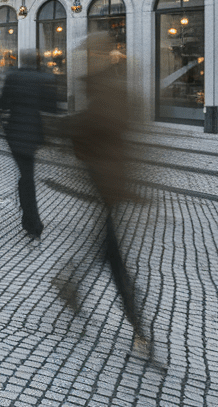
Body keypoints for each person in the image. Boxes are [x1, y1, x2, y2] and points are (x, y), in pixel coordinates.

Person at [61, 33, 153, 360]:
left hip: (109, 183)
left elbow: (96, 132)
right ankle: (139, 329)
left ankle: (71, 284)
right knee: (111, 254)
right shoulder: (105, 88)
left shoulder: (104, 90)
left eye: (86, 55)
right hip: (108, 184)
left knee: (109, 253)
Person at [0, 50, 57, 238]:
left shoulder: (13, 76)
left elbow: (3, 103)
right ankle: (31, 221)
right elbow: (51, 108)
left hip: (15, 133)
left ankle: (31, 221)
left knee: (26, 176)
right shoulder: (43, 78)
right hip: (34, 133)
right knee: (27, 175)